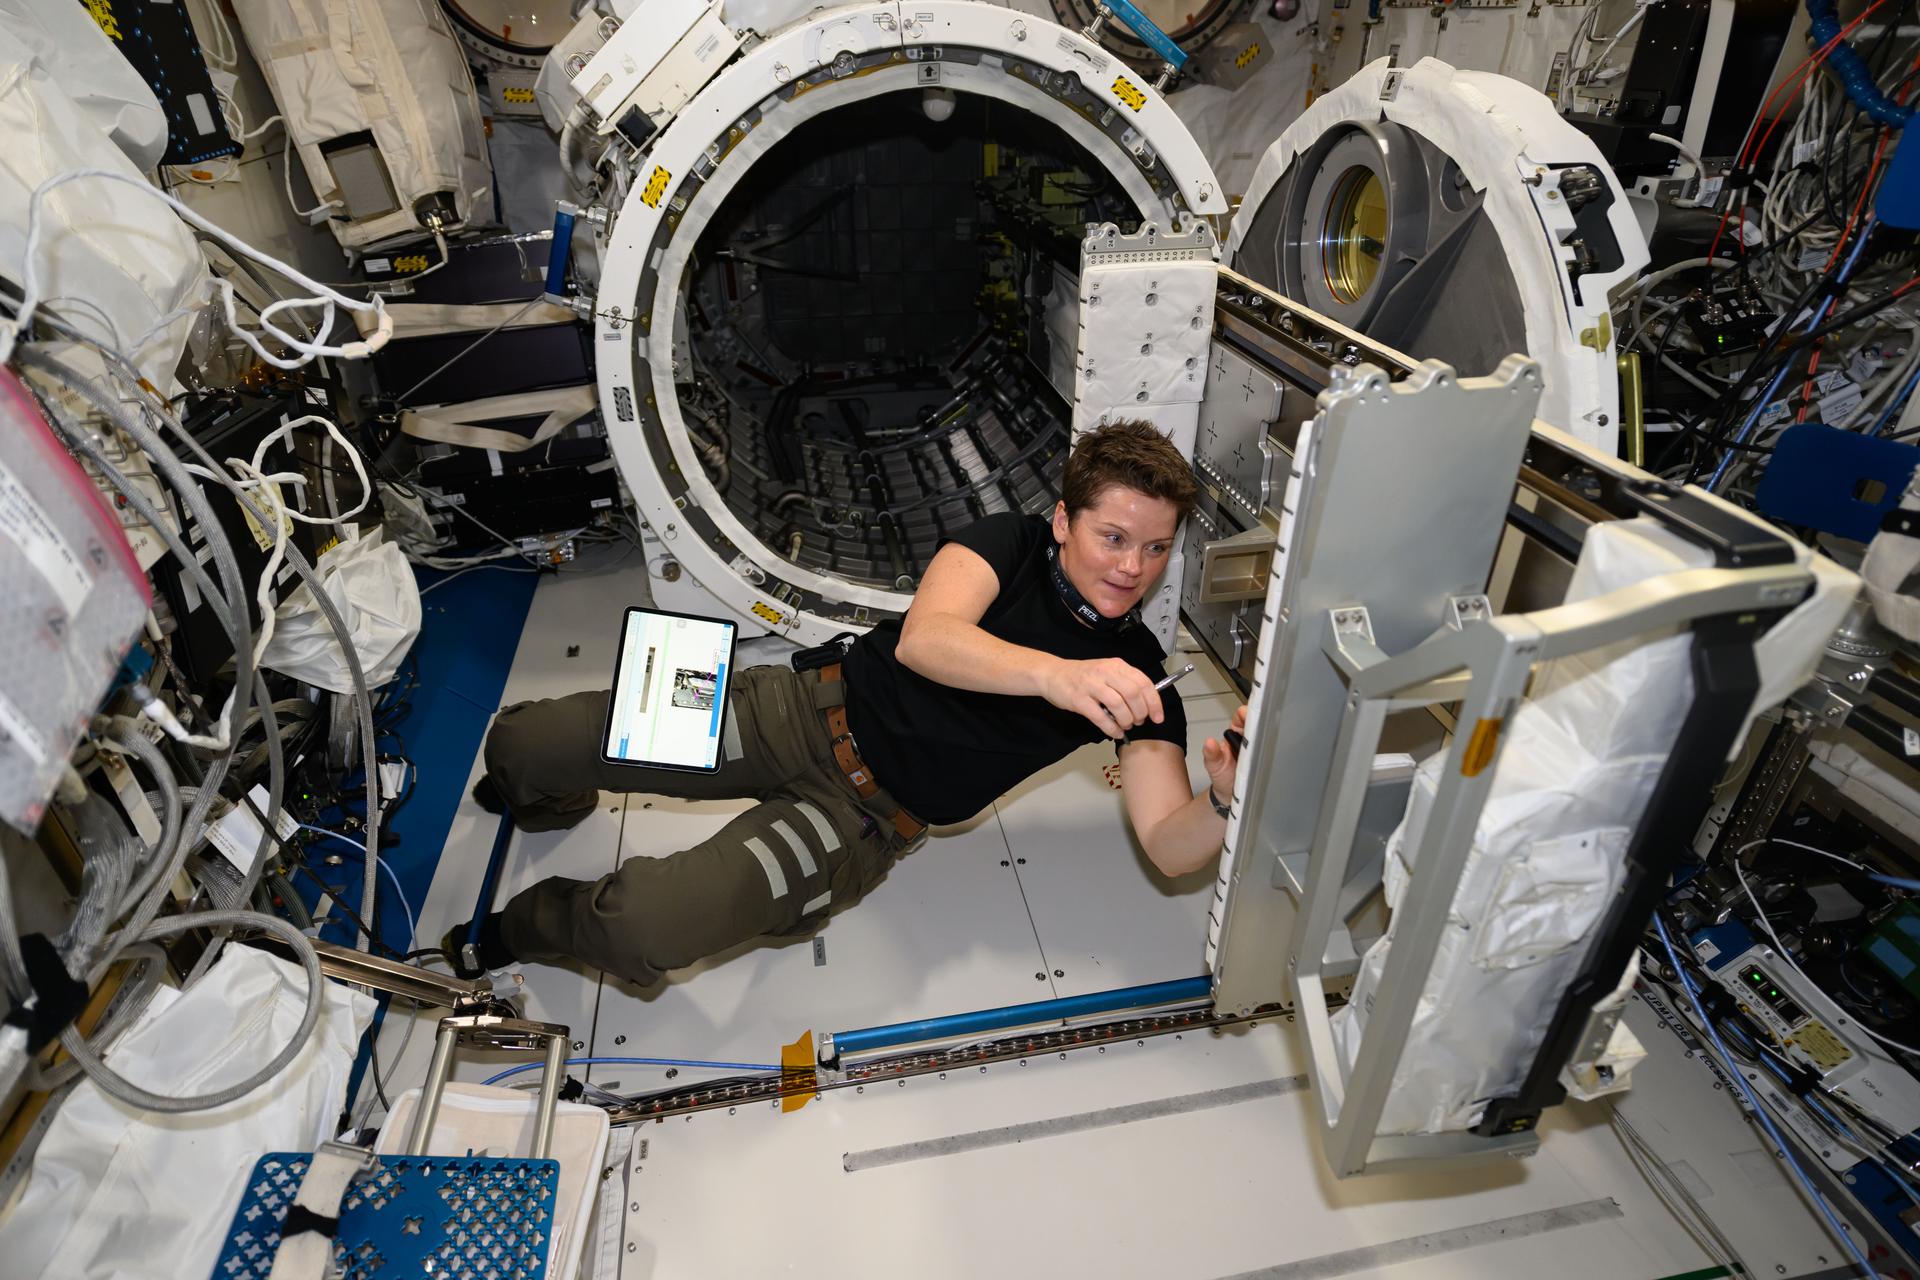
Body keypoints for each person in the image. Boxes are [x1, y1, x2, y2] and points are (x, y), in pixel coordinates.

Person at [448, 419, 1247, 984]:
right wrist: (1057, 675)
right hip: (791, 707)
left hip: (858, 821)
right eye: (1114, 538)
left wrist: (1219, 799)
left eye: (1155, 548)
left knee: (642, 924)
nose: (1133, 568)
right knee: (524, 741)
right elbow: (925, 640)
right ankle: (550, 800)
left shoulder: (1142, 674)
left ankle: (519, 930)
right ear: (1064, 521)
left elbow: (1171, 850)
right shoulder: (1009, 542)